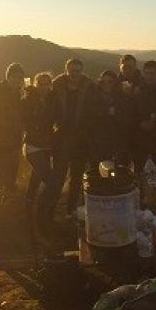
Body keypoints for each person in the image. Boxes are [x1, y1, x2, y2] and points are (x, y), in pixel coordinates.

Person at [46, 58, 94, 219]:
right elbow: (46, 105)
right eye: (72, 71)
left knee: (77, 176)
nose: (75, 74)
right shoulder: (56, 85)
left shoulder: (89, 86)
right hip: (62, 136)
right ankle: (49, 209)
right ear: (66, 70)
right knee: (58, 175)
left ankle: (71, 210)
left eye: (78, 71)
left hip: (81, 138)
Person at [0, 63, 26, 191]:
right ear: (8, 76)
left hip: (14, 141)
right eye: (14, 77)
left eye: (20, 77)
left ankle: (7, 205)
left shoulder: (18, 93)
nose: (17, 80)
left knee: (11, 175)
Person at [130, 60, 156, 173]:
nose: (149, 76)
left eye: (152, 73)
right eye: (147, 73)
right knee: (139, 174)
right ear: (143, 73)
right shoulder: (137, 91)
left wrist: (155, 124)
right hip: (140, 141)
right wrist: (140, 123)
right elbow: (132, 112)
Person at [22, 72, 56, 214]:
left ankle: (28, 205)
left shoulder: (51, 100)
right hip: (32, 145)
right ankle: (44, 210)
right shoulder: (28, 98)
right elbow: (24, 121)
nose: (44, 87)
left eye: (47, 83)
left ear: (50, 85)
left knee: (36, 177)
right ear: (36, 84)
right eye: (41, 83)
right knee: (49, 179)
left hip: (46, 145)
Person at [87, 69, 133, 165]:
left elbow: (126, 118)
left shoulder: (121, 97)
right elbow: (89, 116)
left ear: (115, 83)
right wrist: (107, 112)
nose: (106, 84)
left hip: (116, 142)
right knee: (97, 171)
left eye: (110, 82)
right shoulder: (93, 96)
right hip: (97, 141)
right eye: (103, 81)